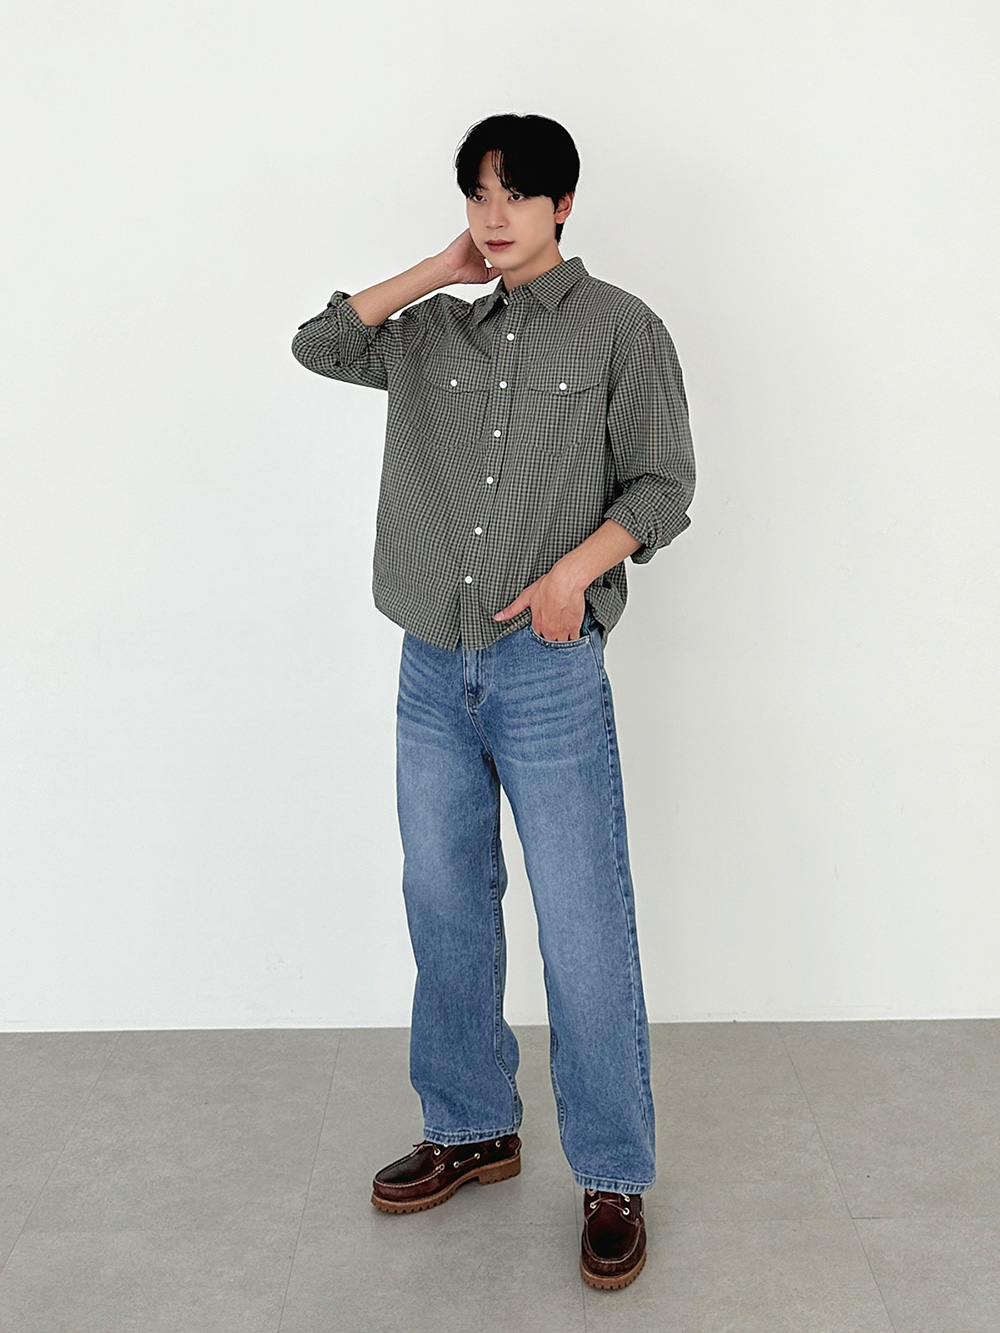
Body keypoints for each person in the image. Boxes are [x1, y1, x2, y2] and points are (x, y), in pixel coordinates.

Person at [291, 112, 695, 1291]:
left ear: (563, 204)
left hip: (546, 668)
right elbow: (319, 343)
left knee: (581, 922)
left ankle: (611, 1171)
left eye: (516, 195)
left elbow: (663, 483)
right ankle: (471, 1126)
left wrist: (574, 576)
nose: (495, 215)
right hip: (432, 661)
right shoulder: (431, 333)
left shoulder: (623, 328)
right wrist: (438, 269)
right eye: (478, 194)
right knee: (443, 901)